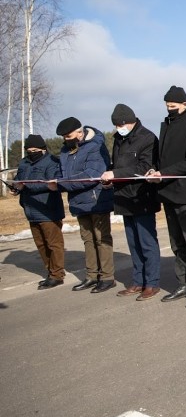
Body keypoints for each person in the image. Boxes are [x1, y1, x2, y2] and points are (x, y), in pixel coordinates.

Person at [147, 85, 186, 309]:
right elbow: (162, 156)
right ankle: (184, 284)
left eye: (173, 106)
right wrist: (154, 170)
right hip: (167, 191)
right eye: (167, 106)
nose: (170, 109)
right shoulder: (166, 125)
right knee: (177, 243)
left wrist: (163, 173)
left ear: (185, 104)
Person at [101, 104, 162, 301]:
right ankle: (137, 281)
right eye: (116, 125)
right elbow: (116, 165)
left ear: (131, 121)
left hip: (142, 197)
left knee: (146, 243)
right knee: (133, 244)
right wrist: (110, 178)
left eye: (121, 124)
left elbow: (145, 167)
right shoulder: (118, 139)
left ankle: (151, 283)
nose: (119, 128)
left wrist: (116, 174)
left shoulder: (147, 137)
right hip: (123, 199)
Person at [50, 117, 115, 293]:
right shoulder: (65, 150)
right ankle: (92, 276)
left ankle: (107, 277)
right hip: (78, 201)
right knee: (88, 240)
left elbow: (92, 175)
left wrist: (62, 183)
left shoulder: (95, 146)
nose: (65, 139)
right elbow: (62, 172)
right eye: (63, 136)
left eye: (68, 135)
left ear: (80, 132)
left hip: (97, 200)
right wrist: (55, 180)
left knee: (102, 239)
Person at [12, 134, 66, 289]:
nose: (32, 152)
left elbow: (50, 184)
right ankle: (50, 272)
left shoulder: (52, 162)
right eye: (28, 150)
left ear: (43, 149)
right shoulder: (24, 163)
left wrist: (25, 186)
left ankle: (57, 275)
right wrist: (15, 188)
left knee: (54, 244)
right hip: (30, 209)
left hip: (48, 209)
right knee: (41, 244)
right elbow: (19, 179)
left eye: (35, 149)